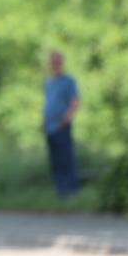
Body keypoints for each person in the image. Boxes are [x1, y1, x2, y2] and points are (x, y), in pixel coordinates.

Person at [42, 51, 80, 196]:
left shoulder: (68, 81)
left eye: (57, 61)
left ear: (61, 63)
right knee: (55, 161)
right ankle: (60, 191)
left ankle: (71, 191)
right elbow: (48, 104)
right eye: (53, 61)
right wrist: (44, 122)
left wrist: (66, 118)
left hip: (61, 127)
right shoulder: (49, 82)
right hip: (49, 128)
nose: (55, 64)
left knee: (66, 160)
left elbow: (75, 102)